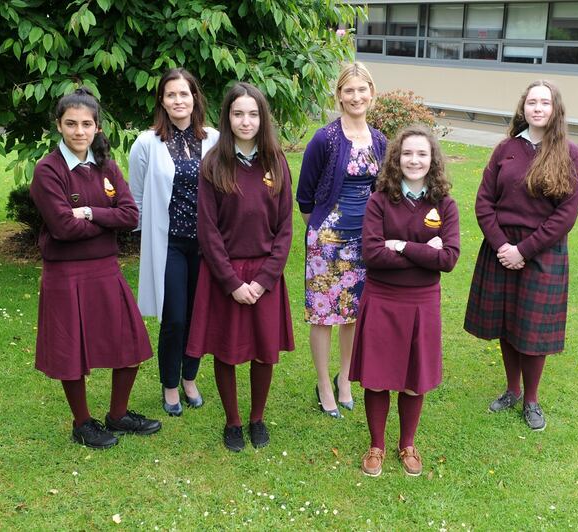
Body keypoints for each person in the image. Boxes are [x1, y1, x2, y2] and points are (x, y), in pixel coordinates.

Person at [29, 88, 161, 449]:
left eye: (86, 124)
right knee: (72, 354)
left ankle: (117, 415)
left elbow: (130, 215)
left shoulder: (107, 166)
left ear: (97, 127)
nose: (78, 131)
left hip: (105, 269)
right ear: (58, 125)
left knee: (131, 345)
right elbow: (62, 228)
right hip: (65, 274)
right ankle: (82, 423)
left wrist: (89, 212)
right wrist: (107, 221)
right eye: (70, 124)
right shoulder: (47, 171)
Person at [464, 80, 578, 432]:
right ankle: (512, 390)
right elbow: (484, 201)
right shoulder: (506, 149)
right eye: (531, 102)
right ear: (523, 108)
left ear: (554, 109)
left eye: (544, 103)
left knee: (532, 330)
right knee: (506, 322)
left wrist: (524, 250)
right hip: (501, 249)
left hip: (542, 252)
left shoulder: (570, 154)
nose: (537, 108)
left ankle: (531, 398)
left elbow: (566, 215)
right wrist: (503, 246)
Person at [186, 82, 294, 452]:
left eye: (252, 114)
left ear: (262, 117)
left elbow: (285, 230)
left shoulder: (276, 163)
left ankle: (256, 418)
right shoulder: (214, 164)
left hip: (265, 275)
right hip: (225, 275)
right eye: (237, 113)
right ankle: (233, 421)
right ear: (227, 117)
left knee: (264, 351)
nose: (245, 121)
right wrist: (232, 282)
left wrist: (264, 281)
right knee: (226, 350)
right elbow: (208, 230)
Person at [349, 126, 460, 477]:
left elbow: (449, 259)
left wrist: (399, 245)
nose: (414, 160)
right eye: (407, 154)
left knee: (415, 377)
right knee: (377, 377)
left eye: (422, 154)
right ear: (396, 159)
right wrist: (425, 250)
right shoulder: (379, 200)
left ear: (432, 160)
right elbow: (372, 254)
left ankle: (407, 444)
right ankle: (377, 445)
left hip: (422, 301)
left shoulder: (445, 205)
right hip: (382, 297)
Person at [296, 62, 387, 419]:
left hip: (365, 240)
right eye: (348, 90)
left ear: (372, 93)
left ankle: (345, 379)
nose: (356, 96)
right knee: (323, 315)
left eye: (362, 89)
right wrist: (322, 232)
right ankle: (323, 385)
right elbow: (305, 197)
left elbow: (383, 190)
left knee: (353, 315)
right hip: (327, 244)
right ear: (339, 95)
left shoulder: (379, 140)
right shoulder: (325, 138)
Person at [129, 68, 220, 417]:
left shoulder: (213, 138)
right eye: (171, 95)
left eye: (184, 94)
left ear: (195, 97)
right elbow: (137, 197)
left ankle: (190, 378)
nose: (178, 100)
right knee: (175, 317)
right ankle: (170, 384)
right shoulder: (147, 143)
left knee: (199, 316)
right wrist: (143, 241)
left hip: (207, 245)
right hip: (168, 243)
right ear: (162, 102)